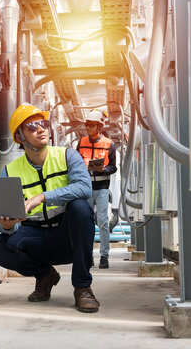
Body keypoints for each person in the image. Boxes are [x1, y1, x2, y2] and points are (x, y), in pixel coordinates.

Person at [0, 103, 100, 313]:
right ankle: (44, 275)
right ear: (20, 137)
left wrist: (42, 197)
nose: (41, 129)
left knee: (80, 208)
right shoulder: (10, 171)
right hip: (35, 238)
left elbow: (85, 187)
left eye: (44, 124)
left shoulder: (67, 156)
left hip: (67, 236)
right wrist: (8, 226)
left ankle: (82, 287)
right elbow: (8, 226)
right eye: (32, 126)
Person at [76, 110, 117, 269]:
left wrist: (102, 170)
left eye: (91, 125)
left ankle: (104, 256)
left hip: (101, 189)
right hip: (86, 188)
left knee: (103, 222)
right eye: (87, 124)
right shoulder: (81, 142)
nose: (88, 127)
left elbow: (113, 167)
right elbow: (76, 163)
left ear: (99, 126)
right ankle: (87, 256)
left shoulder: (109, 144)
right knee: (86, 223)